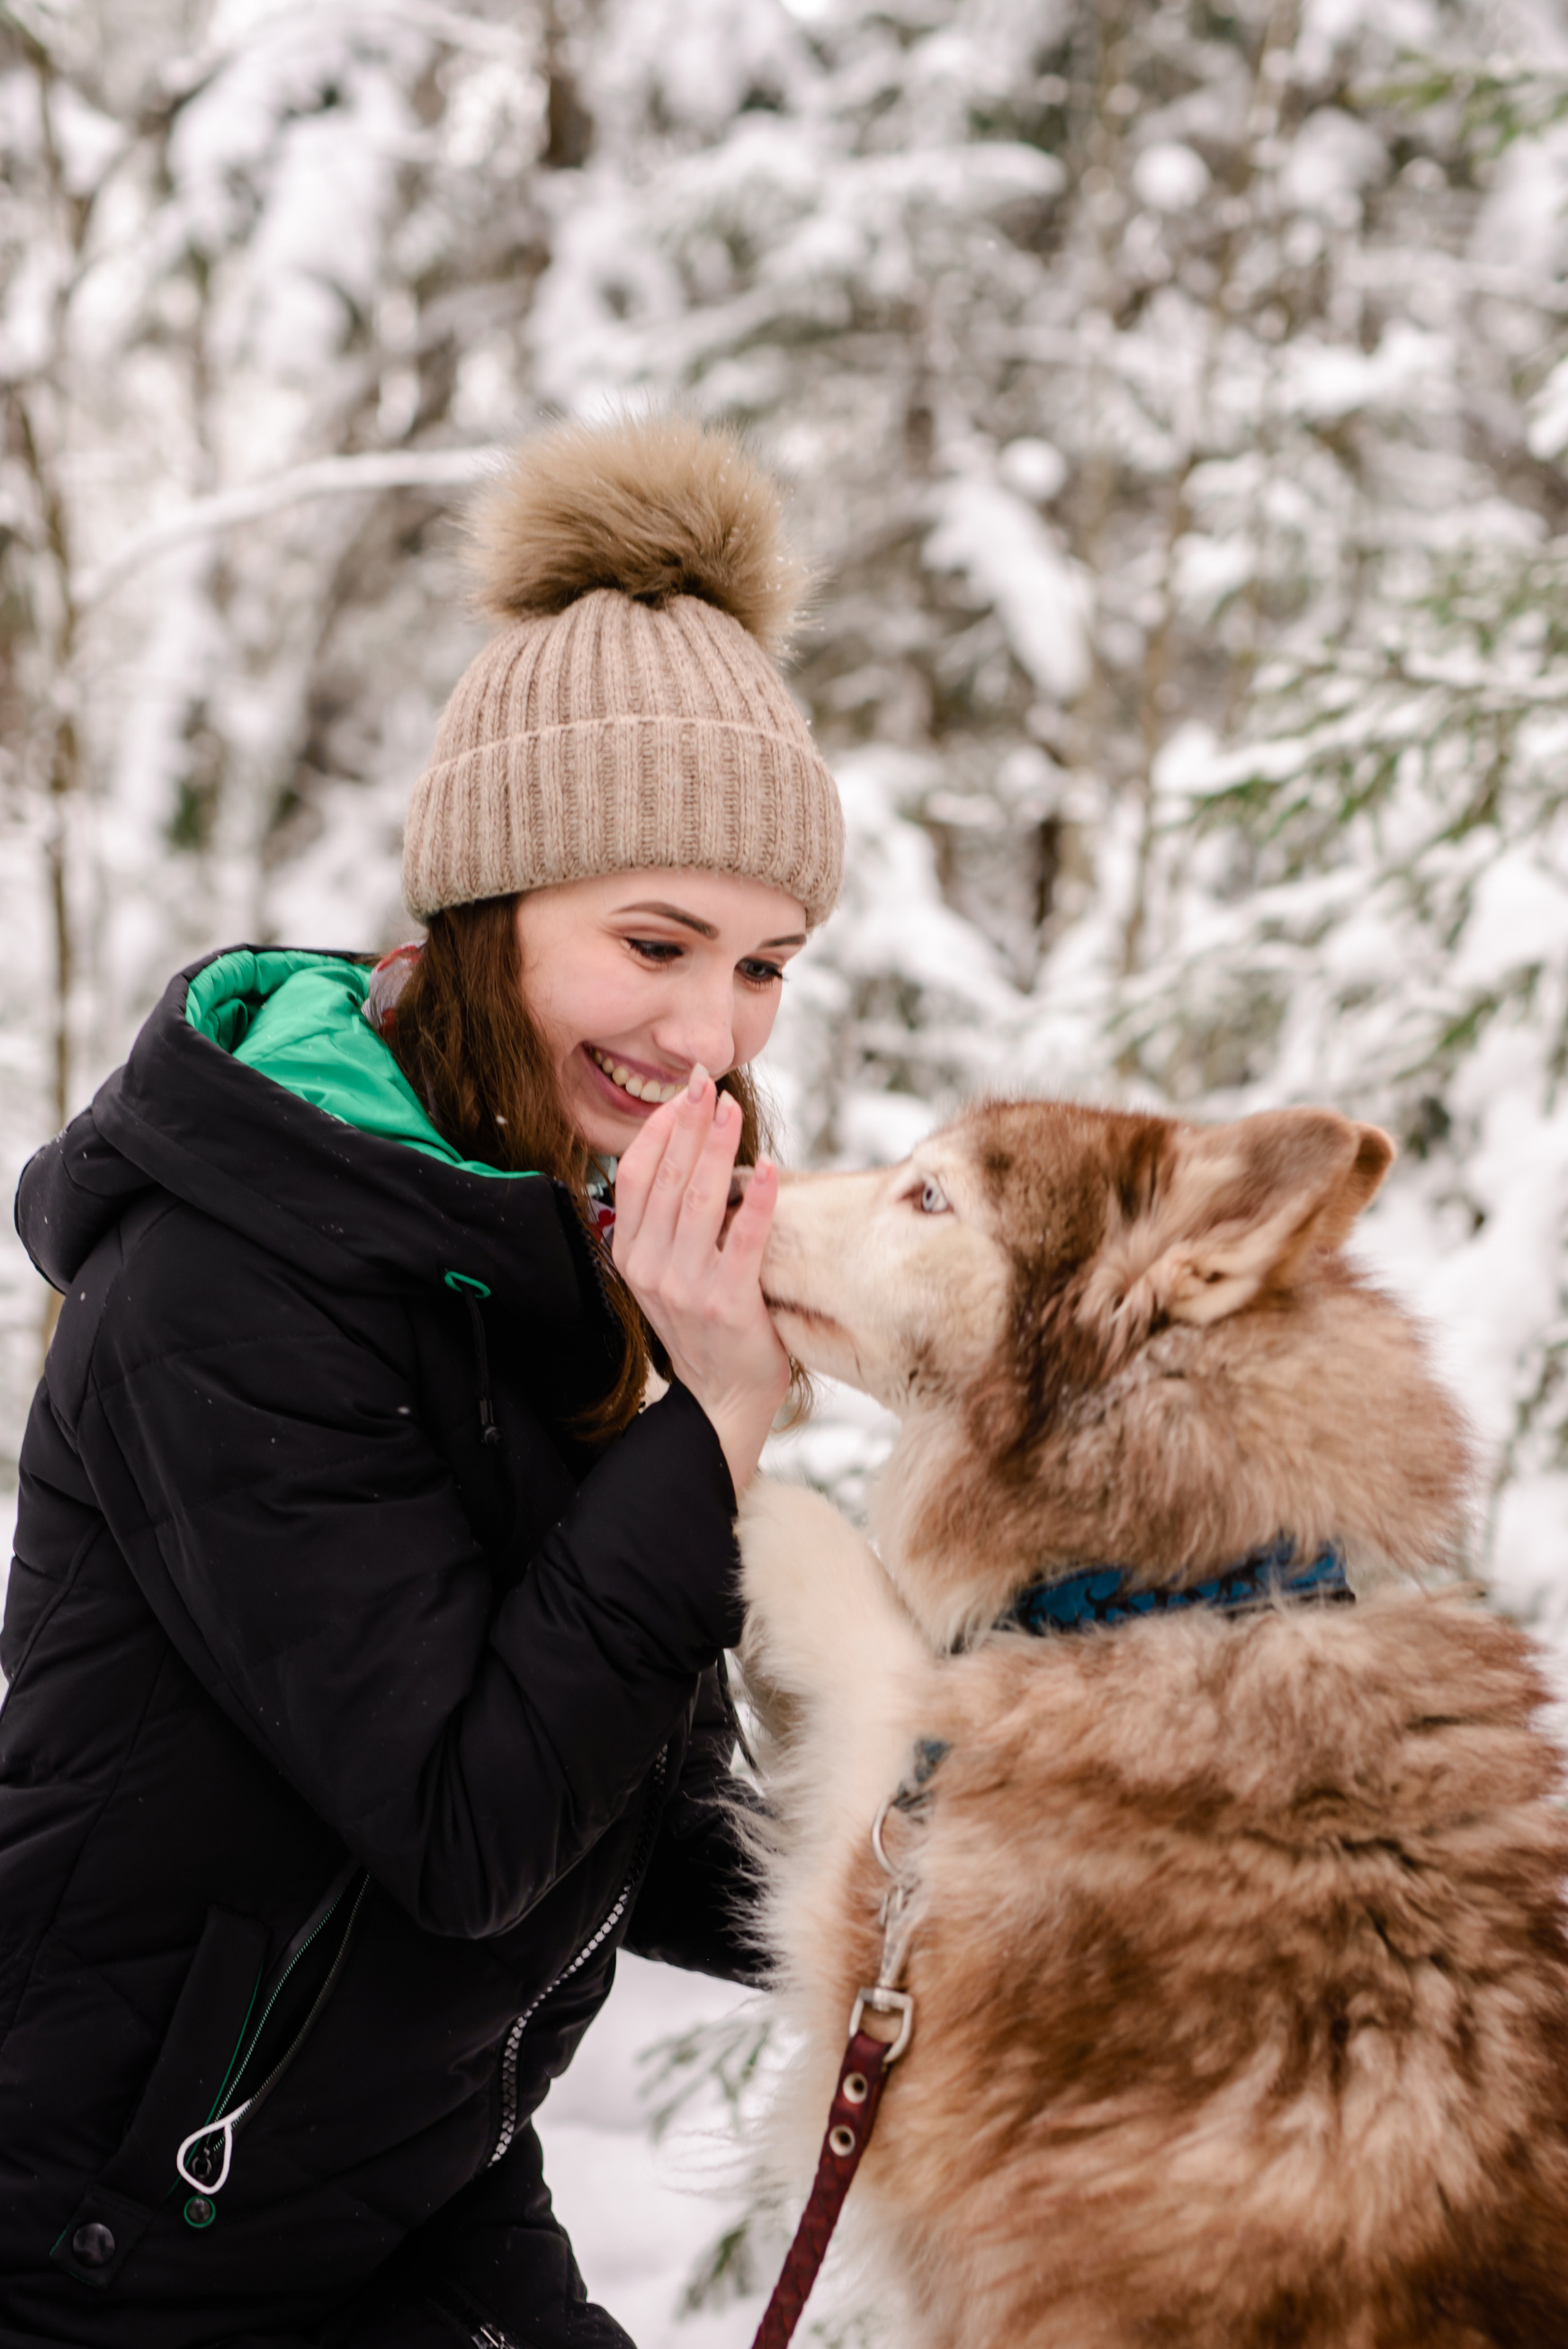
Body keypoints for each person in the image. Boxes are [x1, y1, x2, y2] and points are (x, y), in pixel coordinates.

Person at [0, 415, 844, 2349]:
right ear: (487, 910)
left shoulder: (540, 1231)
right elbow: (474, 1823)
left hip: (405, 2188)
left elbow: (628, 1796)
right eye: (655, 942)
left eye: (765, 964)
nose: (709, 1032)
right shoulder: (226, 1278)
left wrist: (966, 1892)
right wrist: (711, 1425)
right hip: (110, 2249)